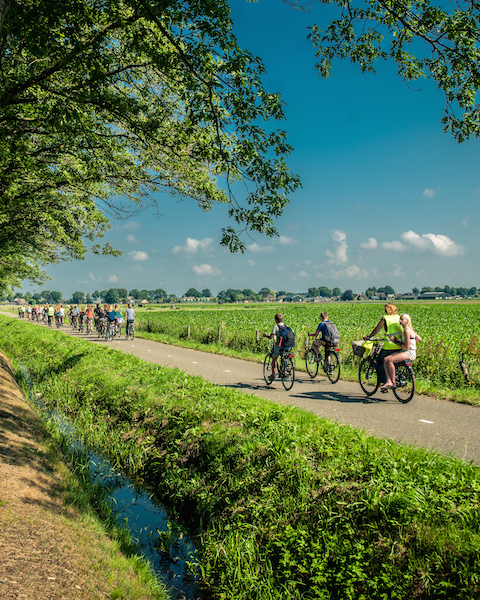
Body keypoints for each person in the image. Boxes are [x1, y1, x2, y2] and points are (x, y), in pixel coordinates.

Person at [364, 303, 403, 385]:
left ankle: (385, 381)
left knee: (379, 362)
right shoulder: (399, 317)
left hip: (389, 345)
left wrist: (369, 337)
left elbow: (376, 330)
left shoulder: (385, 318)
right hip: (400, 344)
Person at [382, 314, 422, 390]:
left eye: (402, 319)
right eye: (400, 319)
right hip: (406, 351)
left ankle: (393, 382)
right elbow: (419, 338)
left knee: (390, 360)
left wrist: (395, 341)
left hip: (409, 352)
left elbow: (406, 347)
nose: (400, 321)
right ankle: (388, 380)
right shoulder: (409, 329)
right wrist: (412, 342)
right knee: (385, 359)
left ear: (407, 321)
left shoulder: (407, 331)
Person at [263, 313, 291, 382]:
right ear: (282, 319)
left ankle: (273, 374)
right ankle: (285, 368)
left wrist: (266, 335)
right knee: (283, 355)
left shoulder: (276, 327)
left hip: (279, 346)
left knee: (274, 359)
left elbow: (271, 337)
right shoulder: (286, 326)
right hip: (287, 345)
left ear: (276, 320)